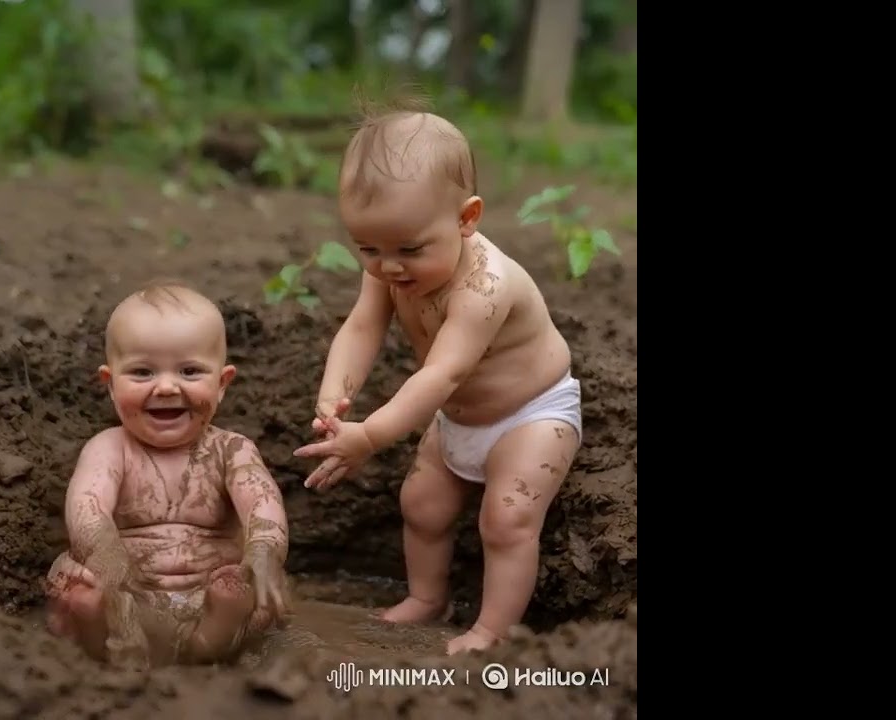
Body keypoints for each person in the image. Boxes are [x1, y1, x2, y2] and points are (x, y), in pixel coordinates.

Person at [293, 99, 583, 655]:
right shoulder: (388, 265)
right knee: (421, 505)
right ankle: (428, 598)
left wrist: (371, 436)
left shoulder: (484, 289)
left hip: (531, 415)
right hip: (458, 417)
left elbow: (444, 373)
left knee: (508, 519)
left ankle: (492, 631)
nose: (388, 267)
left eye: (408, 249)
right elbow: (361, 329)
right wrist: (336, 393)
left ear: (466, 218)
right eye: (368, 249)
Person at [45, 281, 292, 669]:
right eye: (142, 372)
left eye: (190, 371)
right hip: (126, 595)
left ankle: (211, 639)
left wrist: (264, 551)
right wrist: (109, 562)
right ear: (110, 386)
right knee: (73, 584)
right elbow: (86, 506)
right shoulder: (109, 448)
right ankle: (112, 642)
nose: (165, 386)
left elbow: (262, 501)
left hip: (207, 592)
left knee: (253, 590)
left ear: (222, 384)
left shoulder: (231, 449)